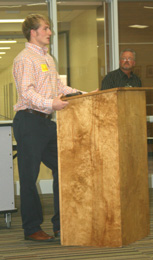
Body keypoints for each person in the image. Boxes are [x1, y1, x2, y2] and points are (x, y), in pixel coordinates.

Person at [13, 14, 87, 242]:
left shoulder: (48, 58)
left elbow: (58, 86)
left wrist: (82, 94)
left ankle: (61, 224)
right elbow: (27, 92)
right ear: (33, 32)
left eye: (49, 29)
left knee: (63, 168)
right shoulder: (25, 59)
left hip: (45, 123)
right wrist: (50, 103)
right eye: (46, 29)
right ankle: (32, 228)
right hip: (28, 121)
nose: (50, 33)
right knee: (29, 177)